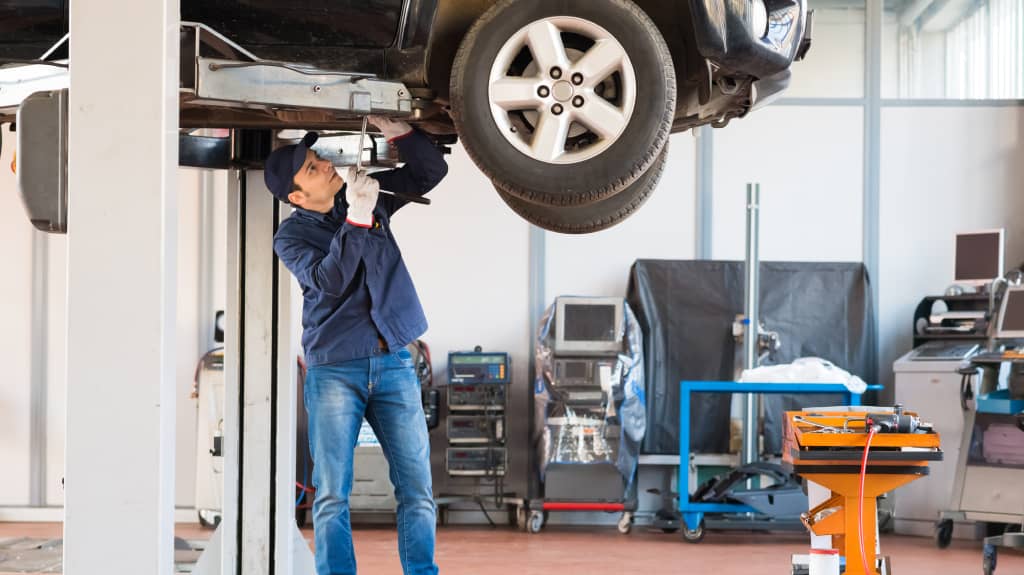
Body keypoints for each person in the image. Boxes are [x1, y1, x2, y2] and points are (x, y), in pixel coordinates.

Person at [264, 115, 448, 575]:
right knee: (331, 494)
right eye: (311, 168)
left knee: (417, 489)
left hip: (393, 362)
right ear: (296, 197)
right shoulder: (291, 237)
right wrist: (358, 219)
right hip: (334, 372)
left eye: (316, 158)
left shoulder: (362, 196)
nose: (325, 165)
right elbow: (331, 280)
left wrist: (398, 131)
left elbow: (429, 173)